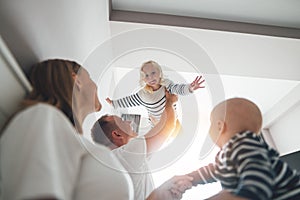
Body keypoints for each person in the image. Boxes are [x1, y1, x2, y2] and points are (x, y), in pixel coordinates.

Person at [0, 59, 193, 200]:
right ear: (77, 80)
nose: (95, 84)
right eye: (90, 77)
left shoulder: (83, 147)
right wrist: (170, 102)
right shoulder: (43, 117)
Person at [184, 97, 300, 200]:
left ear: (220, 126)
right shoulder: (231, 154)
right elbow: (214, 171)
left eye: (211, 122)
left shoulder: (243, 144)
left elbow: (257, 181)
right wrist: (190, 179)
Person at [92, 89, 188, 199]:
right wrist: (170, 101)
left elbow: (166, 132)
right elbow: (168, 127)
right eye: (123, 121)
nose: (129, 121)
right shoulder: (126, 154)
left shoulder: (116, 163)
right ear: (117, 134)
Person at [106, 60, 205, 128]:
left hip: (172, 119)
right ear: (143, 79)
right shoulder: (143, 94)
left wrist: (190, 87)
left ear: (160, 73)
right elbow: (129, 101)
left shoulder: (167, 85)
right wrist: (114, 103)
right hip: (155, 124)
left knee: (174, 131)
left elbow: (179, 89)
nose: (151, 78)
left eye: (153, 73)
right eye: (146, 75)